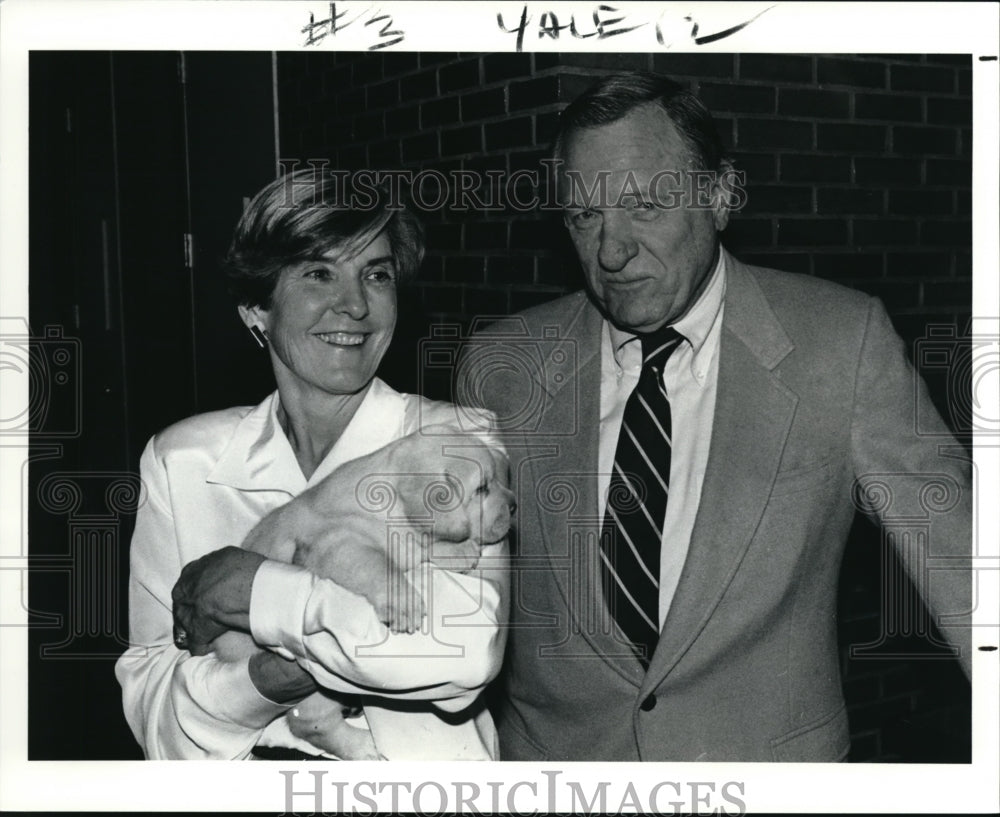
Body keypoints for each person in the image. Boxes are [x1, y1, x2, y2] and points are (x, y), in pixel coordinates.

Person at [459, 72, 972, 761]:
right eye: (585, 216)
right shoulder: (501, 367)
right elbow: (449, 607)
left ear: (720, 195)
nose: (611, 251)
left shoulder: (840, 344)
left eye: (643, 204)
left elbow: (965, 563)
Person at [115, 169, 509, 760]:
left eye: (376, 274)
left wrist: (252, 590)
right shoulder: (182, 462)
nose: (353, 304)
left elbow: (460, 659)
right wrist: (273, 676)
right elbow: (156, 711)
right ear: (256, 309)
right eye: (319, 273)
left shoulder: (454, 442)